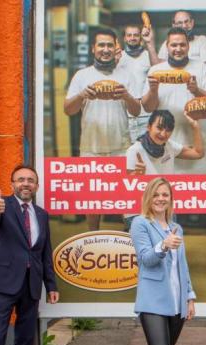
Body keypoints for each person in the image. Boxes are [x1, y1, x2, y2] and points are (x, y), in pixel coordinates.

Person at [142, 27, 206, 248]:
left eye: (182, 45)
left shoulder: (201, 69)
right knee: (166, 189)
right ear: (167, 47)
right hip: (167, 141)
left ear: (188, 46)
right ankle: (167, 229)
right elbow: (148, 106)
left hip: (197, 136)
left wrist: (197, 90)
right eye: (173, 45)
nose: (178, 49)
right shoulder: (156, 69)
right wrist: (152, 90)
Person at [64, 28, 142, 231]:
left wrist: (126, 96)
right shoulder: (82, 76)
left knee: (127, 195)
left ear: (116, 48)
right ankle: (93, 236)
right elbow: (68, 110)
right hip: (91, 146)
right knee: (93, 198)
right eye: (101, 45)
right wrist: (81, 95)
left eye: (110, 45)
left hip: (121, 146)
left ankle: (130, 238)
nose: (105, 49)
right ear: (93, 48)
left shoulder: (126, 75)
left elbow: (136, 111)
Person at [0, 165, 59, 345]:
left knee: (25, 339)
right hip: (4, 282)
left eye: (30, 180)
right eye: (21, 179)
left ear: (37, 186)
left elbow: (44, 252)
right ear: (12, 184)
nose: (26, 183)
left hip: (31, 285)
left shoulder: (41, 214)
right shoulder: (2, 204)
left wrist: (51, 286)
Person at [130, 177, 196, 345]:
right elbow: (146, 260)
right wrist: (164, 245)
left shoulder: (177, 228)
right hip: (153, 301)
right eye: (156, 194)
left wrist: (189, 297)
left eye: (165, 194)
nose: (160, 199)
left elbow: (182, 265)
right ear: (148, 198)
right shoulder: (140, 223)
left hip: (177, 301)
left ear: (171, 198)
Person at [119, 24, 155, 143]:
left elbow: (157, 73)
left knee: (146, 152)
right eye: (129, 35)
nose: (132, 38)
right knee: (126, 154)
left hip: (146, 115)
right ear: (124, 38)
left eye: (136, 35)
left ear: (140, 37)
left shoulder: (148, 56)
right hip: (125, 115)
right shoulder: (118, 57)